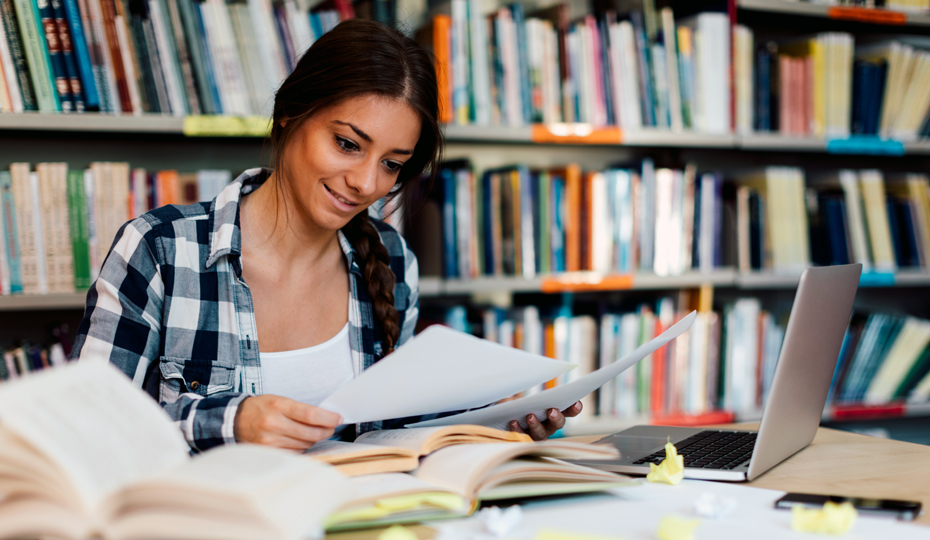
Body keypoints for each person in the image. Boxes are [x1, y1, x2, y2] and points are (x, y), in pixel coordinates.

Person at [71, 19, 581, 452]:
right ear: (291, 114)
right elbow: (81, 433)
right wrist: (232, 422)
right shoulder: (159, 249)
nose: (366, 183)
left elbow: (390, 441)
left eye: (391, 165)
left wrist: (497, 424)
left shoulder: (392, 260)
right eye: (346, 143)